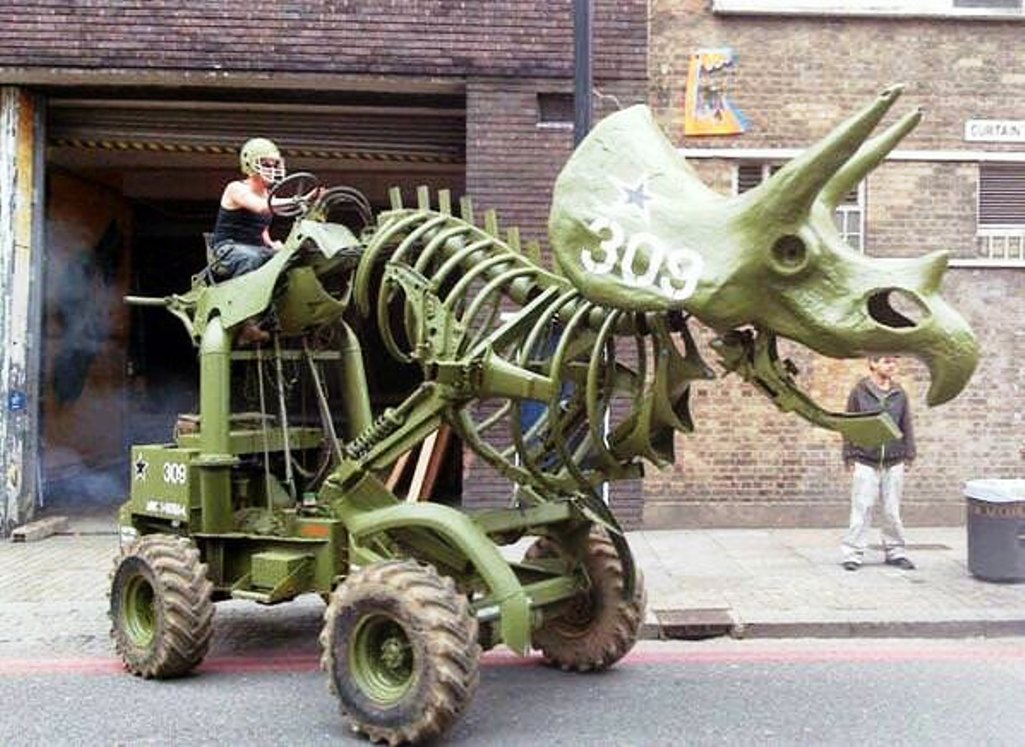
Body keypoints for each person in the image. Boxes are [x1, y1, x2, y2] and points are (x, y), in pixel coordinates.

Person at [840, 355, 917, 571]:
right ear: (873, 364)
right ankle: (853, 554)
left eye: (894, 361)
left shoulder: (899, 393)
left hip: (894, 459)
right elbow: (849, 423)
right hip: (865, 458)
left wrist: (909, 453)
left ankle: (895, 552)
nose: (892, 365)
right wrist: (849, 454)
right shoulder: (859, 392)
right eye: (886, 361)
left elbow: (906, 424)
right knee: (862, 508)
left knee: (892, 510)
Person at [209, 137, 287, 345]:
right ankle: (247, 324)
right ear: (251, 164)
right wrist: (298, 199)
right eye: (266, 164)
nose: (272, 169)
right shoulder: (236, 188)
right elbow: (260, 207)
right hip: (228, 250)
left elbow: (263, 231)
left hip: (256, 249)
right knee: (251, 258)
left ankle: (272, 318)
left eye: (274, 164)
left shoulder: (268, 195)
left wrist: (273, 246)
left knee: (287, 260)